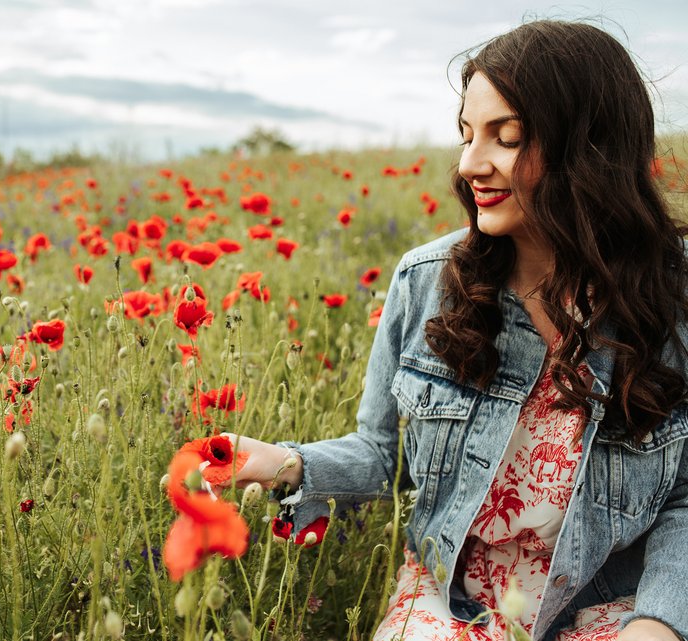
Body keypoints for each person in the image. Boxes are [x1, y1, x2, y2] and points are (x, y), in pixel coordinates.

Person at [224, 20, 688, 641]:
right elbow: (386, 456)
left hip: (611, 603)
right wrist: (284, 463)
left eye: (509, 136)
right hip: (456, 602)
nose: (471, 163)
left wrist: (657, 623)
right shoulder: (427, 283)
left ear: (591, 147)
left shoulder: (670, 297)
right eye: (467, 134)